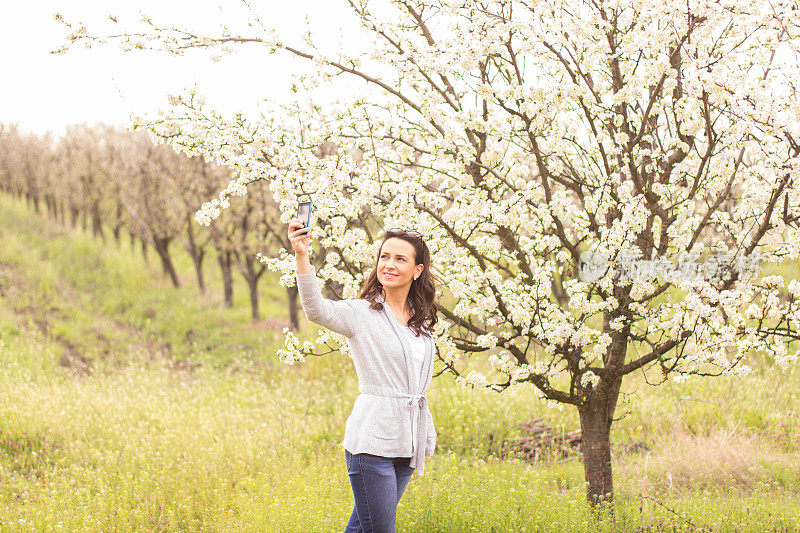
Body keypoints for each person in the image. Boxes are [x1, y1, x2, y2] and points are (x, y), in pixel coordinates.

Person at [288, 220, 438, 533]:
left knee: (360, 528)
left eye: (400, 259)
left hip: (407, 442)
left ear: (417, 270)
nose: (390, 264)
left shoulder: (421, 320)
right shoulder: (361, 314)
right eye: (385, 256)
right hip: (372, 443)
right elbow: (316, 310)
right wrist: (302, 256)